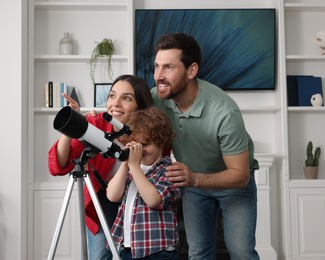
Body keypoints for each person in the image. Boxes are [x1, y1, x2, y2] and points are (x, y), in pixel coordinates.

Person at [151, 33, 260, 260]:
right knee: (199, 253)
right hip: (193, 183)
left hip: (233, 184)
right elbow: (124, 112)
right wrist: (90, 118)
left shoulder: (224, 111)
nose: (158, 76)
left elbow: (240, 176)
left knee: (241, 252)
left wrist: (194, 179)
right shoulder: (159, 98)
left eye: (168, 67)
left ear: (191, 71)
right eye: (156, 67)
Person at [48, 74, 153, 260]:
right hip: (103, 200)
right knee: (100, 255)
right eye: (112, 96)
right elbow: (59, 164)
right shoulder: (96, 125)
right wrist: (73, 124)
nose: (116, 104)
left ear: (140, 105)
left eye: (126, 98)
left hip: (138, 199)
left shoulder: (149, 133)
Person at [106, 107, 184, 259]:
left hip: (157, 250)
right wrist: (126, 163)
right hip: (128, 247)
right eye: (135, 145)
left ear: (161, 142)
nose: (140, 150)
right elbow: (112, 196)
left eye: (145, 144)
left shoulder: (170, 171)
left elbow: (154, 200)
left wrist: (134, 166)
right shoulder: (131, 170)